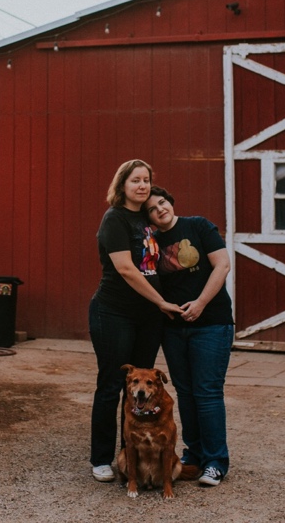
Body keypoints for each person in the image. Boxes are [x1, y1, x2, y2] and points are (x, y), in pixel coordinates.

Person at [89, 160, 181, 483]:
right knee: (113, 384)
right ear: (122, 185)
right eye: (135, 180)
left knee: (141, 388)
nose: (142, 186)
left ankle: (130, 453)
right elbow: (128, 269)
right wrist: (161, 302)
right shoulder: (114, 219)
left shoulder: (145, 219)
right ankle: (101, 458)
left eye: (146, 180)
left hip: (147, 318)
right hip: (115, 312)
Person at [146, 186, 234, 487]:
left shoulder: (198, 225)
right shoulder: (152, 243)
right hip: (174, 329)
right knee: (185, 393)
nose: (160, 209)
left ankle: (216, 462)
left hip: (211, 323)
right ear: (149, 218)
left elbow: (222, 265)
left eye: (162, 202)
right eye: (152, 209)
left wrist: (201, 303)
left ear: (170, 201)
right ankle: (193, 456)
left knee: (207, 392)